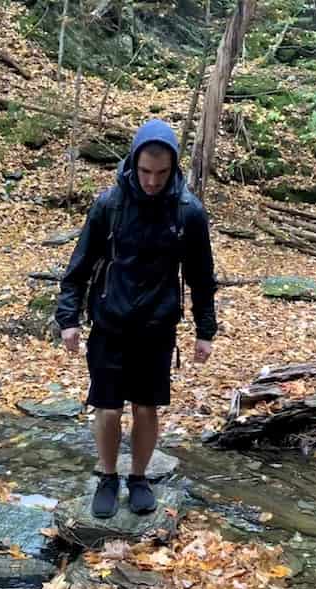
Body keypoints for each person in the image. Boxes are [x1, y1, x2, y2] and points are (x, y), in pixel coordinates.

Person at [55, 119, 217, 519]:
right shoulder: (109, 205)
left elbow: (201, 275)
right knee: (107, 408)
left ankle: (139, 478)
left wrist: (205, 330)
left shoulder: (188, 212)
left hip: (156, 326)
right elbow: (80, 264)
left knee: (147, 408)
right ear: (133, 162)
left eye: (161, 173)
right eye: (145, 171)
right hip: (109, 321)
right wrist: (68, 318)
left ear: (173, 168)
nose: (151, 181)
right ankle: (108, 476)